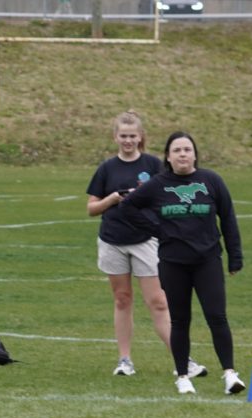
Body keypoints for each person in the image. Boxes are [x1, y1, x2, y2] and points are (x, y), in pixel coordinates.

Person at [120, 131, 246, 396]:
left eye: (187, 149)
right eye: (177, 150)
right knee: (180, 320)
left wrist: (235, 256)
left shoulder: (211, 180)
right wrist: (156, 228)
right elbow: (128, 207)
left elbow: (228, 217)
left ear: (195, 154)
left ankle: (230, 374)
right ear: (168, 156)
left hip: (207, 260)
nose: (182, 154)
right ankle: (182, 375)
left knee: (217, 316)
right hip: (173, 262)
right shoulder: (158, 184)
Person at [86, 111, 207, 380]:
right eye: (123, 136)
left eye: (133, 136)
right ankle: (124, 359)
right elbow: (91, 208)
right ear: (115, 137)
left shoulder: (154, 165)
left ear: (141, 137)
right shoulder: (107, 168)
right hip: (113, 241)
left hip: (147, 241)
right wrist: (113, 200)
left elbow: (170, 195)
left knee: (159, 302)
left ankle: (182, 360)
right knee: (122, 299)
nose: (128, 140)